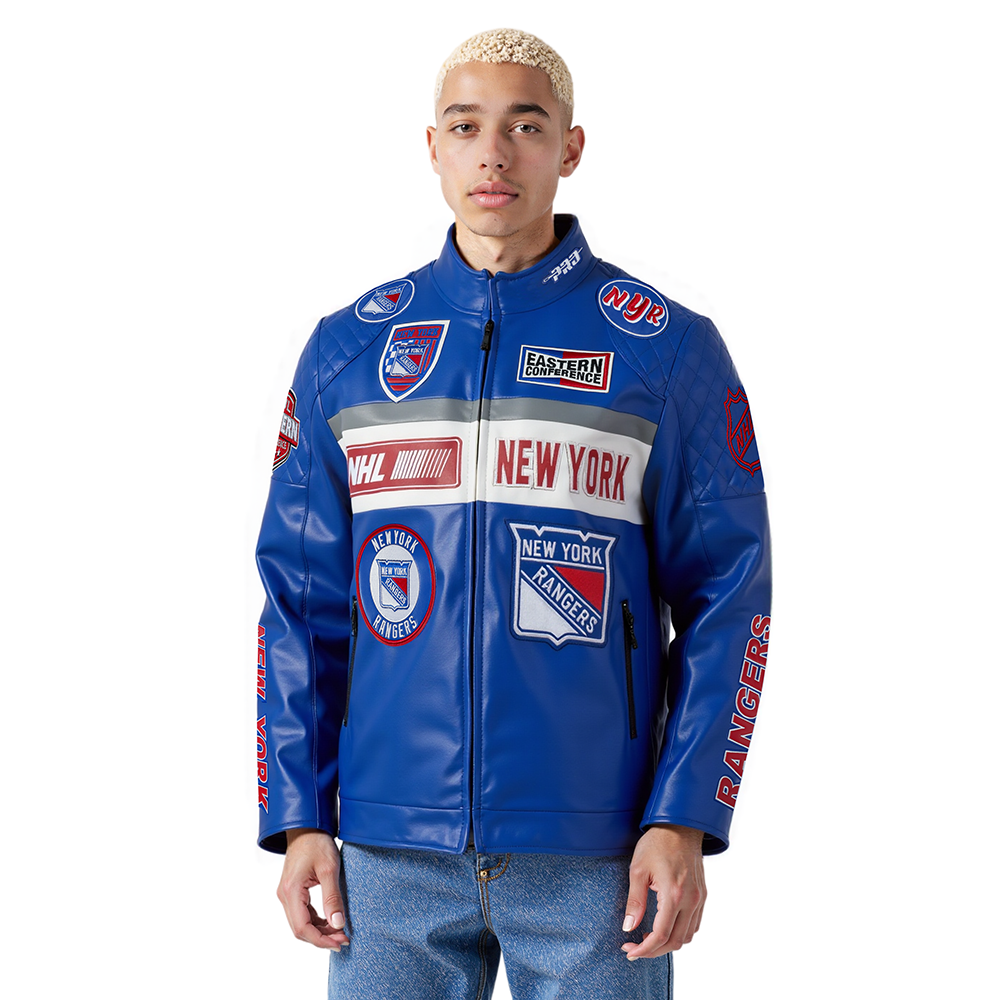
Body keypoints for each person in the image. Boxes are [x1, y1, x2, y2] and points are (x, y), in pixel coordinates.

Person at [255, 27, 771, 999]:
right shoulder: (347, 354)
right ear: (433, 147)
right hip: (387, 856)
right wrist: (299, 814)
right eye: (466, 126)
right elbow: (300, 603)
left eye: (525, 126)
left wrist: (685, 813)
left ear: (570, 148)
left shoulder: (666, 350)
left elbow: (729, 599)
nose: (493, 154)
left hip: (598, 855)